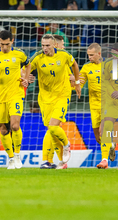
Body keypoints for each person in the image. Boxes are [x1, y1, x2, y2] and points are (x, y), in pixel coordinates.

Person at [30, 34, 81, 169]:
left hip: (61, 97)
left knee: (52, 128)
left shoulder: (63, 57)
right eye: (43, 45)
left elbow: (73, 67)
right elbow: (28, 68)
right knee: (51, 130)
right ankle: (58, 162)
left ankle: (60, 150)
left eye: (47, 45)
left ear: (54, 45)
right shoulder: (41, 57)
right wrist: (26, 76)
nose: (64, 46)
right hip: (45, 98)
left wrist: (75, 82)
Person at [0, 30, 30, 170]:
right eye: (2, 44)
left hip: (16, 94)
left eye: (7, 44)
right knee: (2, 129)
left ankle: (18, 155)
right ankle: (11, 158)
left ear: (12, 41)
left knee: (15, 125)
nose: (4, 47)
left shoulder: (19, 54)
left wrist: (25, 78)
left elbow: (29, 65)